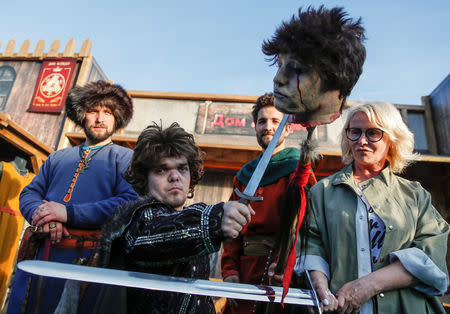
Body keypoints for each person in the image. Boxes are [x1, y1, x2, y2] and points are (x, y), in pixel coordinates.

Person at [295, 102, 449, 313]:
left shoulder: (415, 195)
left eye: (373, 133)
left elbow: (431, 256)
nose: (362, 141)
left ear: (392, 140)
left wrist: (367, 285)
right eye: (355, 132)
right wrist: (321, 290)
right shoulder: (322, 191)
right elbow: (310, 245)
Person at [94, 122, 254, 314]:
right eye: (161, 170)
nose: (174, 177)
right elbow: (158, 234)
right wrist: (215, 219)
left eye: (182, 168)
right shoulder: (138, 219)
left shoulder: (191, 219)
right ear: (145, 179)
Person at [7, 80, 138, 314]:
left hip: (92, 260)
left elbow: (128, 202)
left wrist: (68, 213)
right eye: (93, 111)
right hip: (45, 254)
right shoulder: (58, 158)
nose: (100, 118)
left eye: (107, 112)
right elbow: (30, 193)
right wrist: (45, 216)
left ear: (116, 118)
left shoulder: (126, 158)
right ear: (82, 116)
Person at [220, 93, 315, 313]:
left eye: (275, 121)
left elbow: (308, 227)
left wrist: (286, 262)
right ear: (255, 127)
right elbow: (231, 230)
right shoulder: (245, 176)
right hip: (244, 271)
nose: (268, 127)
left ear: (288, 128)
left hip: (280, 271)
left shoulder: (299, 171)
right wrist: (230, 271)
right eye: (262, 121)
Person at [262, 6, 366, 127]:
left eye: (297, 69)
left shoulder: (356, 138)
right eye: (279, 65)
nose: (278, 79)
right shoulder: (278, 135)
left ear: (335, 79)